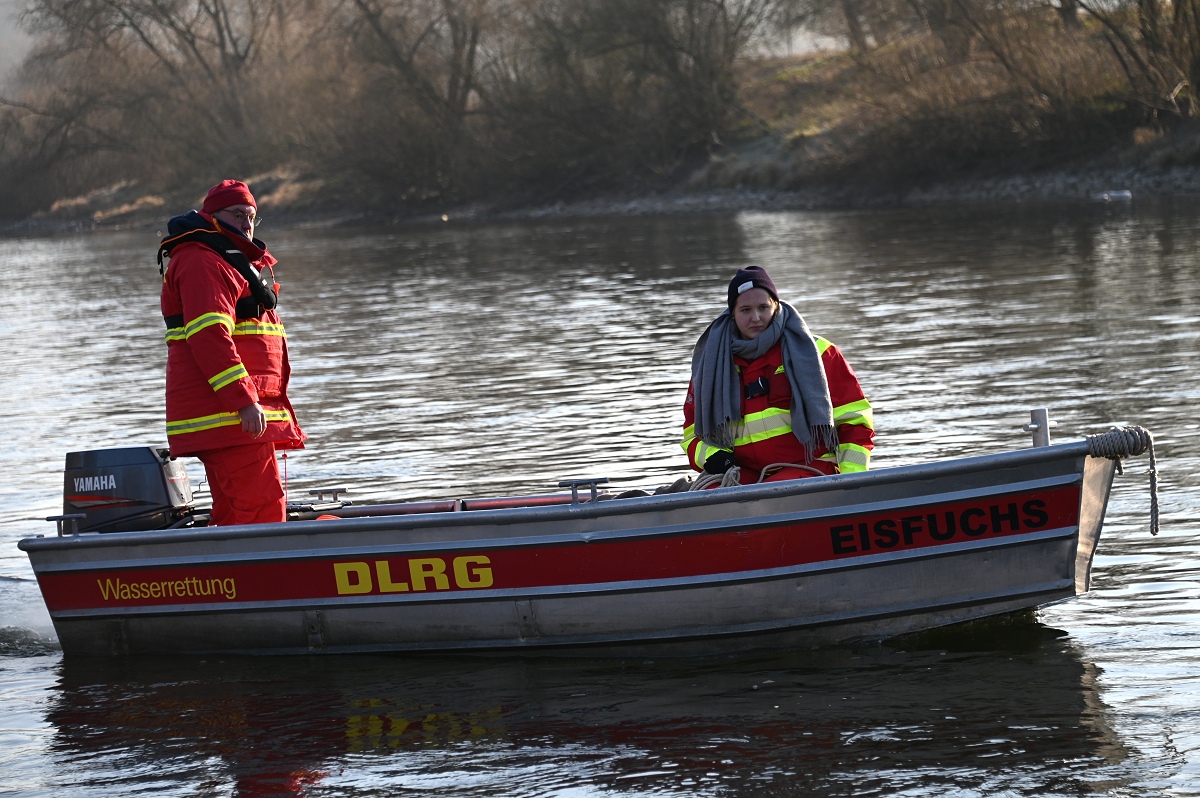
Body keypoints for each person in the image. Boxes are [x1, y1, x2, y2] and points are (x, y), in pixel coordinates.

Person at [158, 179, 305, 525]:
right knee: (261, 511)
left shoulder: (224, 258)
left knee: (238, 513)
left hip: (234, 419)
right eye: (237, 214)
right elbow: (209, 338)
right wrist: (244, 400)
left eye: (251, 216)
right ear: (211, 217)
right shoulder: (203, 261)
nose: (246, 223)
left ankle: (224, 562)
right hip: (230, 415)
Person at [682, 265, 873, 485]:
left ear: (776, 306)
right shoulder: (711, 366)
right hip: (744, 472)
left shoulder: (819, 353)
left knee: (768, 494)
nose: (756, 317)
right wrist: (713, 457)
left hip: (811, 467)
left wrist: (851, 482)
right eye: (745, 310)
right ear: (732, 314)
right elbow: (692, 434)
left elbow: (855, 420)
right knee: (710, 494)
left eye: (763, 307)